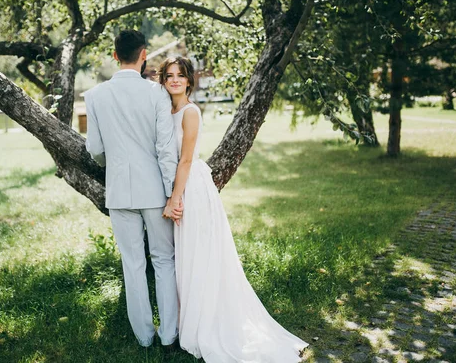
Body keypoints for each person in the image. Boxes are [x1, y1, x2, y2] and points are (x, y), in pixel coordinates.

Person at [159, 56, 309, 362]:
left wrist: (175, 199)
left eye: (180, 75)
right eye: (169, 75)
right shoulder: (167, 111)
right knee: (188, 257)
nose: (175, 80)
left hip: (191, 188)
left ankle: (210, 323)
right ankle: (191, 320)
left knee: (200, 255)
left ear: (189, 80)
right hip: (181, 183)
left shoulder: (189, 113)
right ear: (163, 80)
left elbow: (185, 160)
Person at [84, 30, 182, 349]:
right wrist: (172, 194)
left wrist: (112, 160)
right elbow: (166, 150)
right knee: (164, 260)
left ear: (115, 55)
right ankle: (169, 334)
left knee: (133, 264)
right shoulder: (157, 94)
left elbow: (95, 149)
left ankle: (143, 336)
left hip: (119, 192)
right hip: (155, 190)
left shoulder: (95, 96)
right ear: (143, 55)